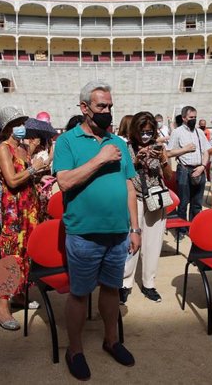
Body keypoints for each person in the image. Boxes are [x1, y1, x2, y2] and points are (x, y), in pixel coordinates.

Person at [53, 81, 140, 381]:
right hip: (83, 234)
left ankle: (111, 340)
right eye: (101, 106)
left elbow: (130, 186)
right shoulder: (66, 141)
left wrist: (136, 228)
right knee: (79, 294)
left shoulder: (120, 142)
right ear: (84, 108)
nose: (107, 111)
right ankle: (74, 350)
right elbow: (64, 182)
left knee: (112, 289)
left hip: (118, 233)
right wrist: (100, 159)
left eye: (110, 107)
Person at [0, 107, 49, 331]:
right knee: (11, 254)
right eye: (17, 123)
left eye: (23, 122)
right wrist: (34, 168)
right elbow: (12, 180)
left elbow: (28, 177)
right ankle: (2, 307)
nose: (22, 127)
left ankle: (18, 295)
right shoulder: (3, 149)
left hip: (30, 207)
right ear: (8, 127)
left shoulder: (24, 149)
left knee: (27, 253)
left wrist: (40, 171)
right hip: (14, 209)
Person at [121, 111, 172, 304]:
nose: (145, 136)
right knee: (131, 241)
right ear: (135, 130)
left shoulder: (160, 147)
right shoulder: (126, 147)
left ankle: (149, 284)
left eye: (149, 132)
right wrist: (137, 159)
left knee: (153, 243)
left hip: (156, 199)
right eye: (142, 132)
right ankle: (125, 283)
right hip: (133, 198)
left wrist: (163, 159)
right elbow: (122, 174)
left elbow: (168, 176)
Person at [167, 106, 209, 234]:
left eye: (195, 117)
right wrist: (184, 150)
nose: (194, 120)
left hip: (199, 169)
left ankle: (195, 228)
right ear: (184, 118)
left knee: (197, 204)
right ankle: (182, 230)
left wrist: (203, 166)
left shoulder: (199, 132)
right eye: (191, 117)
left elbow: (206, 151)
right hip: (184, 170)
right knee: (183, 203)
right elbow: (168, 153)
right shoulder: (177, 132)